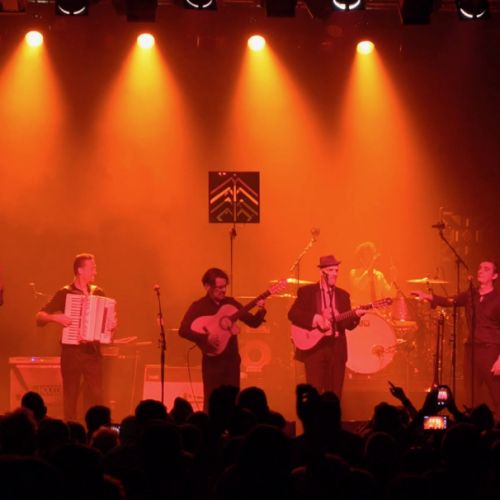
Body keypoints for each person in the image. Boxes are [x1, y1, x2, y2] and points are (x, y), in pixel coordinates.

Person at [412, 260, 500, 420]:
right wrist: (427, 296)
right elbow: (448, 301)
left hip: (491, 351)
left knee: (497, 395)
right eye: (479, 268)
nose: (480, 271)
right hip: (471, 350)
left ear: (494, 276)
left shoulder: (498, 298)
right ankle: (471, 429)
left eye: (486, 269)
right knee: (471, 397)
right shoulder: (470, 295)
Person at [36, 253, 117, 421]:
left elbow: (107, 327)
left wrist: (111, 326)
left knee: (96, 395)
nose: (95, 272)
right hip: (71, 352)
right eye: (92, 268)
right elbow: (39, 317)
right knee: (70, 396)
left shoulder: (98, 292)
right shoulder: (65, 293)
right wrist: (55, 318)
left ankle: (95, 429)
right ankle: (72, 430)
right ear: (80, 270)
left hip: (92, 352)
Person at [178, 267, 267, 411]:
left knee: (233, 403)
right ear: (207, 286)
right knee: (211, 402)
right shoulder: (198, 306)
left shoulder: (231, 303)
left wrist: (261, 310)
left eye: (225, 286)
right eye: (219, 287)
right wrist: (205, 338)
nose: (224, 290)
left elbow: (253, 323)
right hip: (212, 364)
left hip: (232, 361)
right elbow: (183, 330)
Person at [288, 254, 366, 398]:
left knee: (335, 395)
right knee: (314, 393)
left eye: (336, 270)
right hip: (314, 349)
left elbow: (348, 325)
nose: (335, 274)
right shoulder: (307, 292)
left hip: (336, 348)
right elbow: (293, 314)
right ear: (322, 272)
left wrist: (356, 316)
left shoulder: (343, 295)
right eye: (331, 270)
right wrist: (315, 318)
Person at [349, 241, 393, 306]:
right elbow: (360, 286)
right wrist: (372, 265)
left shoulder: (379, 275)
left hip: (377, 310)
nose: (372, 257)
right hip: (362, 310)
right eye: (368, 255)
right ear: (361, 259)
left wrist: (393, 279)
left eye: (372, 254)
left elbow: (389, 295)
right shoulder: (354, 272)